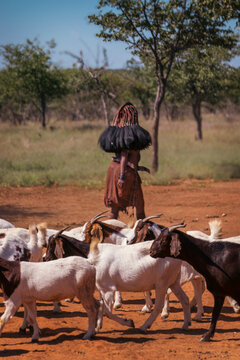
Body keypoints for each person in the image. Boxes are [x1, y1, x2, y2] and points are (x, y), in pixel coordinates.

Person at [98, 102, 152, 219]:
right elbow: (124, 156)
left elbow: (126, 158)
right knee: (139, 204)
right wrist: (122, 177)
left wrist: (139, 168)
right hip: (123, 172)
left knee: (115, 205)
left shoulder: (123, 135)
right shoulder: (129, 136)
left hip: (114, 169)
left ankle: (110, 231)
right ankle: (142, 232)